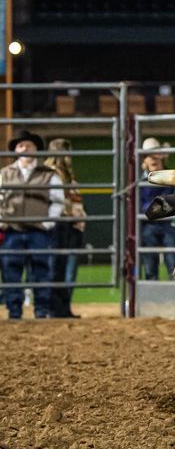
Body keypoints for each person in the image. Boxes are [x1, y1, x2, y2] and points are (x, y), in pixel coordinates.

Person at [0, 129, 64, 320]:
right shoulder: (4, 174)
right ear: (16, 150)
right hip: (12, 231)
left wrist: (47, 223)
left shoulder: (49, 175)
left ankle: (41, 310)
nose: (25, 148)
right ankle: (14, 311)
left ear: (36, 149)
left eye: (29, 145)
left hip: (39, 231)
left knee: (41, 271)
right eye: (21, 145)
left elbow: (58, 201)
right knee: (11, 272)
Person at [44, 138, 86, 319]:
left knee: (64, 268)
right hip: (58, 224)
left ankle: (62, 308)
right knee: (56, 268)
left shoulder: (66, 175)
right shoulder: (51, 174)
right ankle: (55, 309)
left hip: (71, 226)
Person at [139, 137, 175, 280]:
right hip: (150, 225)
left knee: (173, 263)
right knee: (149, 262)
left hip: (167, 224)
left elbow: (172, 201)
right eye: (148, 155)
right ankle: (151, 294)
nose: (152, 158)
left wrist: (151, 208)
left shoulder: (172, 178)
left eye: (155, 154)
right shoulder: (139, 181)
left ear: (162, 156)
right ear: (144, 160)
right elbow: (162, 203)